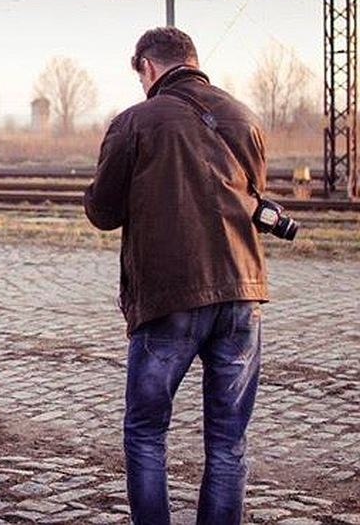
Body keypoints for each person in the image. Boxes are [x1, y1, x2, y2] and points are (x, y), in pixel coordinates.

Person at [84, 27, 269, 524]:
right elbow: (251, 198)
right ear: (192, 59)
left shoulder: (135, 121)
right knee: (228, 442)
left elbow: (103, 212)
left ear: (146, 67)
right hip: (242, 294)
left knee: (146, 432)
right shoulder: (245, 117)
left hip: (171, 296)